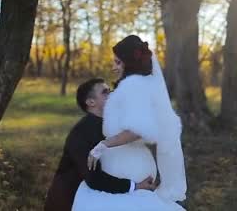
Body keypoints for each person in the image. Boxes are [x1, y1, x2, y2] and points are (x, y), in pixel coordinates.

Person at [72, 35, 187, 211]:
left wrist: (104, 144)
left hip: (128, 167)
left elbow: (138, 130)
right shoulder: (139, 85)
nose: (113, 67)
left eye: (118, 62)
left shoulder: (133, 86)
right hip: (132, 163)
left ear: (129, 62)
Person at [44, 78, 156, 211]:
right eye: (105, 92)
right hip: (71, 200)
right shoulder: (83, 132)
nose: (112, 94)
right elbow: (94, 179)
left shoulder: (110, 125)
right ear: (91, 102)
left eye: (110, 90)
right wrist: (135, 186)